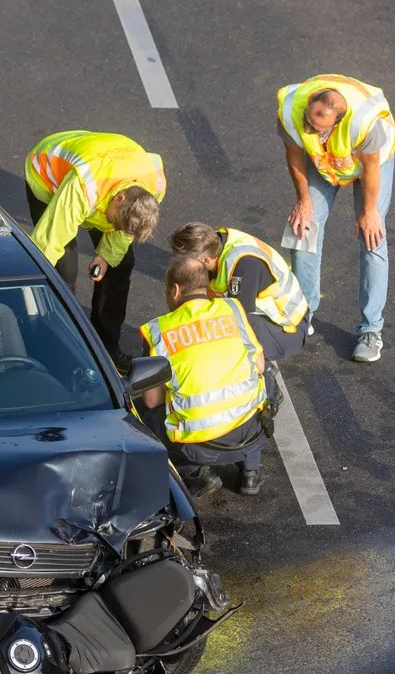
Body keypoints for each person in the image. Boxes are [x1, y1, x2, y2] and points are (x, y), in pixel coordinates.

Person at [277, 74, 395, 362]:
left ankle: (371, 330)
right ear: (310, 104)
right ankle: (303, 315)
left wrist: (369, 213)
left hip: (368, 165)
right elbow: (294, 155)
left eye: (316, 129)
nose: (307, 128)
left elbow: (369, 169)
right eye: (308, 121)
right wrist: (303, 202)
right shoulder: (291, 109)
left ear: (338, 122)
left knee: (372, 238)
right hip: (325, 162)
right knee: (302, 229)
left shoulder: (366, 123)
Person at [26, 130, 166, 373]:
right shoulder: (83, 185)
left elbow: (123, 231)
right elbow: (48, 242)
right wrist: (30, 284)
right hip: (48, 176)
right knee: (62, 271)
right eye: (115, 222)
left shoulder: (154, 185)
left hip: (105, 176)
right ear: (119, 198)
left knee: (121, 264)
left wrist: (106, 256)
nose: (114, 229)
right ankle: (59, 349)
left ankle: (106, 348)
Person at [139, 257, 271, 497]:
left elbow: (151, 401)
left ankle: (194, 474)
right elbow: (260, 365)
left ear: (176, 290)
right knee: (267, 380)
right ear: (206, 287)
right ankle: (250, 472)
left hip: (198, 446)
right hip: (249, 433)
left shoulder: (158, 331)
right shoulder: (232, 309)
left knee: (144, 409)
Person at [168, 222, 308, 365]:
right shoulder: (210, 244)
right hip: (264, 317)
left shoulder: (243, 266)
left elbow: (238, 321)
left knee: (227, 331)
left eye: (182, 262)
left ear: (206, 260)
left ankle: (259, 378)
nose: (177, 267)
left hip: (287, 329)